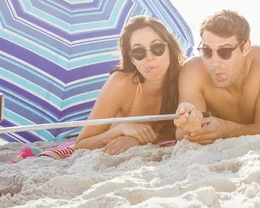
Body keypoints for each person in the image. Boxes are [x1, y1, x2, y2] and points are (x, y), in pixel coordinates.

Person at [75, 16, 185, 154]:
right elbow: (81, 145)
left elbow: (181, 131)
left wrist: (137, 139)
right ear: (132, 58)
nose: (149, 57)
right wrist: (121, 129)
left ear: (170, 48)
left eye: (157, 48)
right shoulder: (120, 83)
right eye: (139, 52)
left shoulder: (184, 76)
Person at [173, 10, 260, 144]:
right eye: (207, 51)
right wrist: (188, 125)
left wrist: (227, 130)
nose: (214, 63)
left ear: (246, 48)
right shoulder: (192, 71)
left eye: (224, 52)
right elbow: (182, 134)